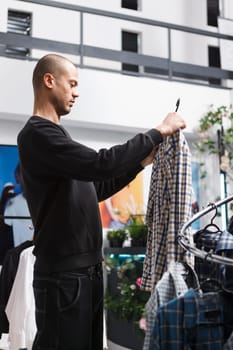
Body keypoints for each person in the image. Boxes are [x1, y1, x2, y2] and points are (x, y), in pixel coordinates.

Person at [17, 53, 186, 350]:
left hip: (85, 274)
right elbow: (101, 163)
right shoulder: (37, 135)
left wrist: (140, 163)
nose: (76, 92)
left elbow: (96, 187)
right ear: (49, 81)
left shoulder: (57, 137)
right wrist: (158, 131)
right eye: (72, 84)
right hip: (63, 279)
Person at [4, 163, 33, 247]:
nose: (28, 179)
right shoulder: (12, 203)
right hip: (20, 257)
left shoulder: (47, 202)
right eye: (24, 174)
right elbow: (4, 230)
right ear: (17, 177)